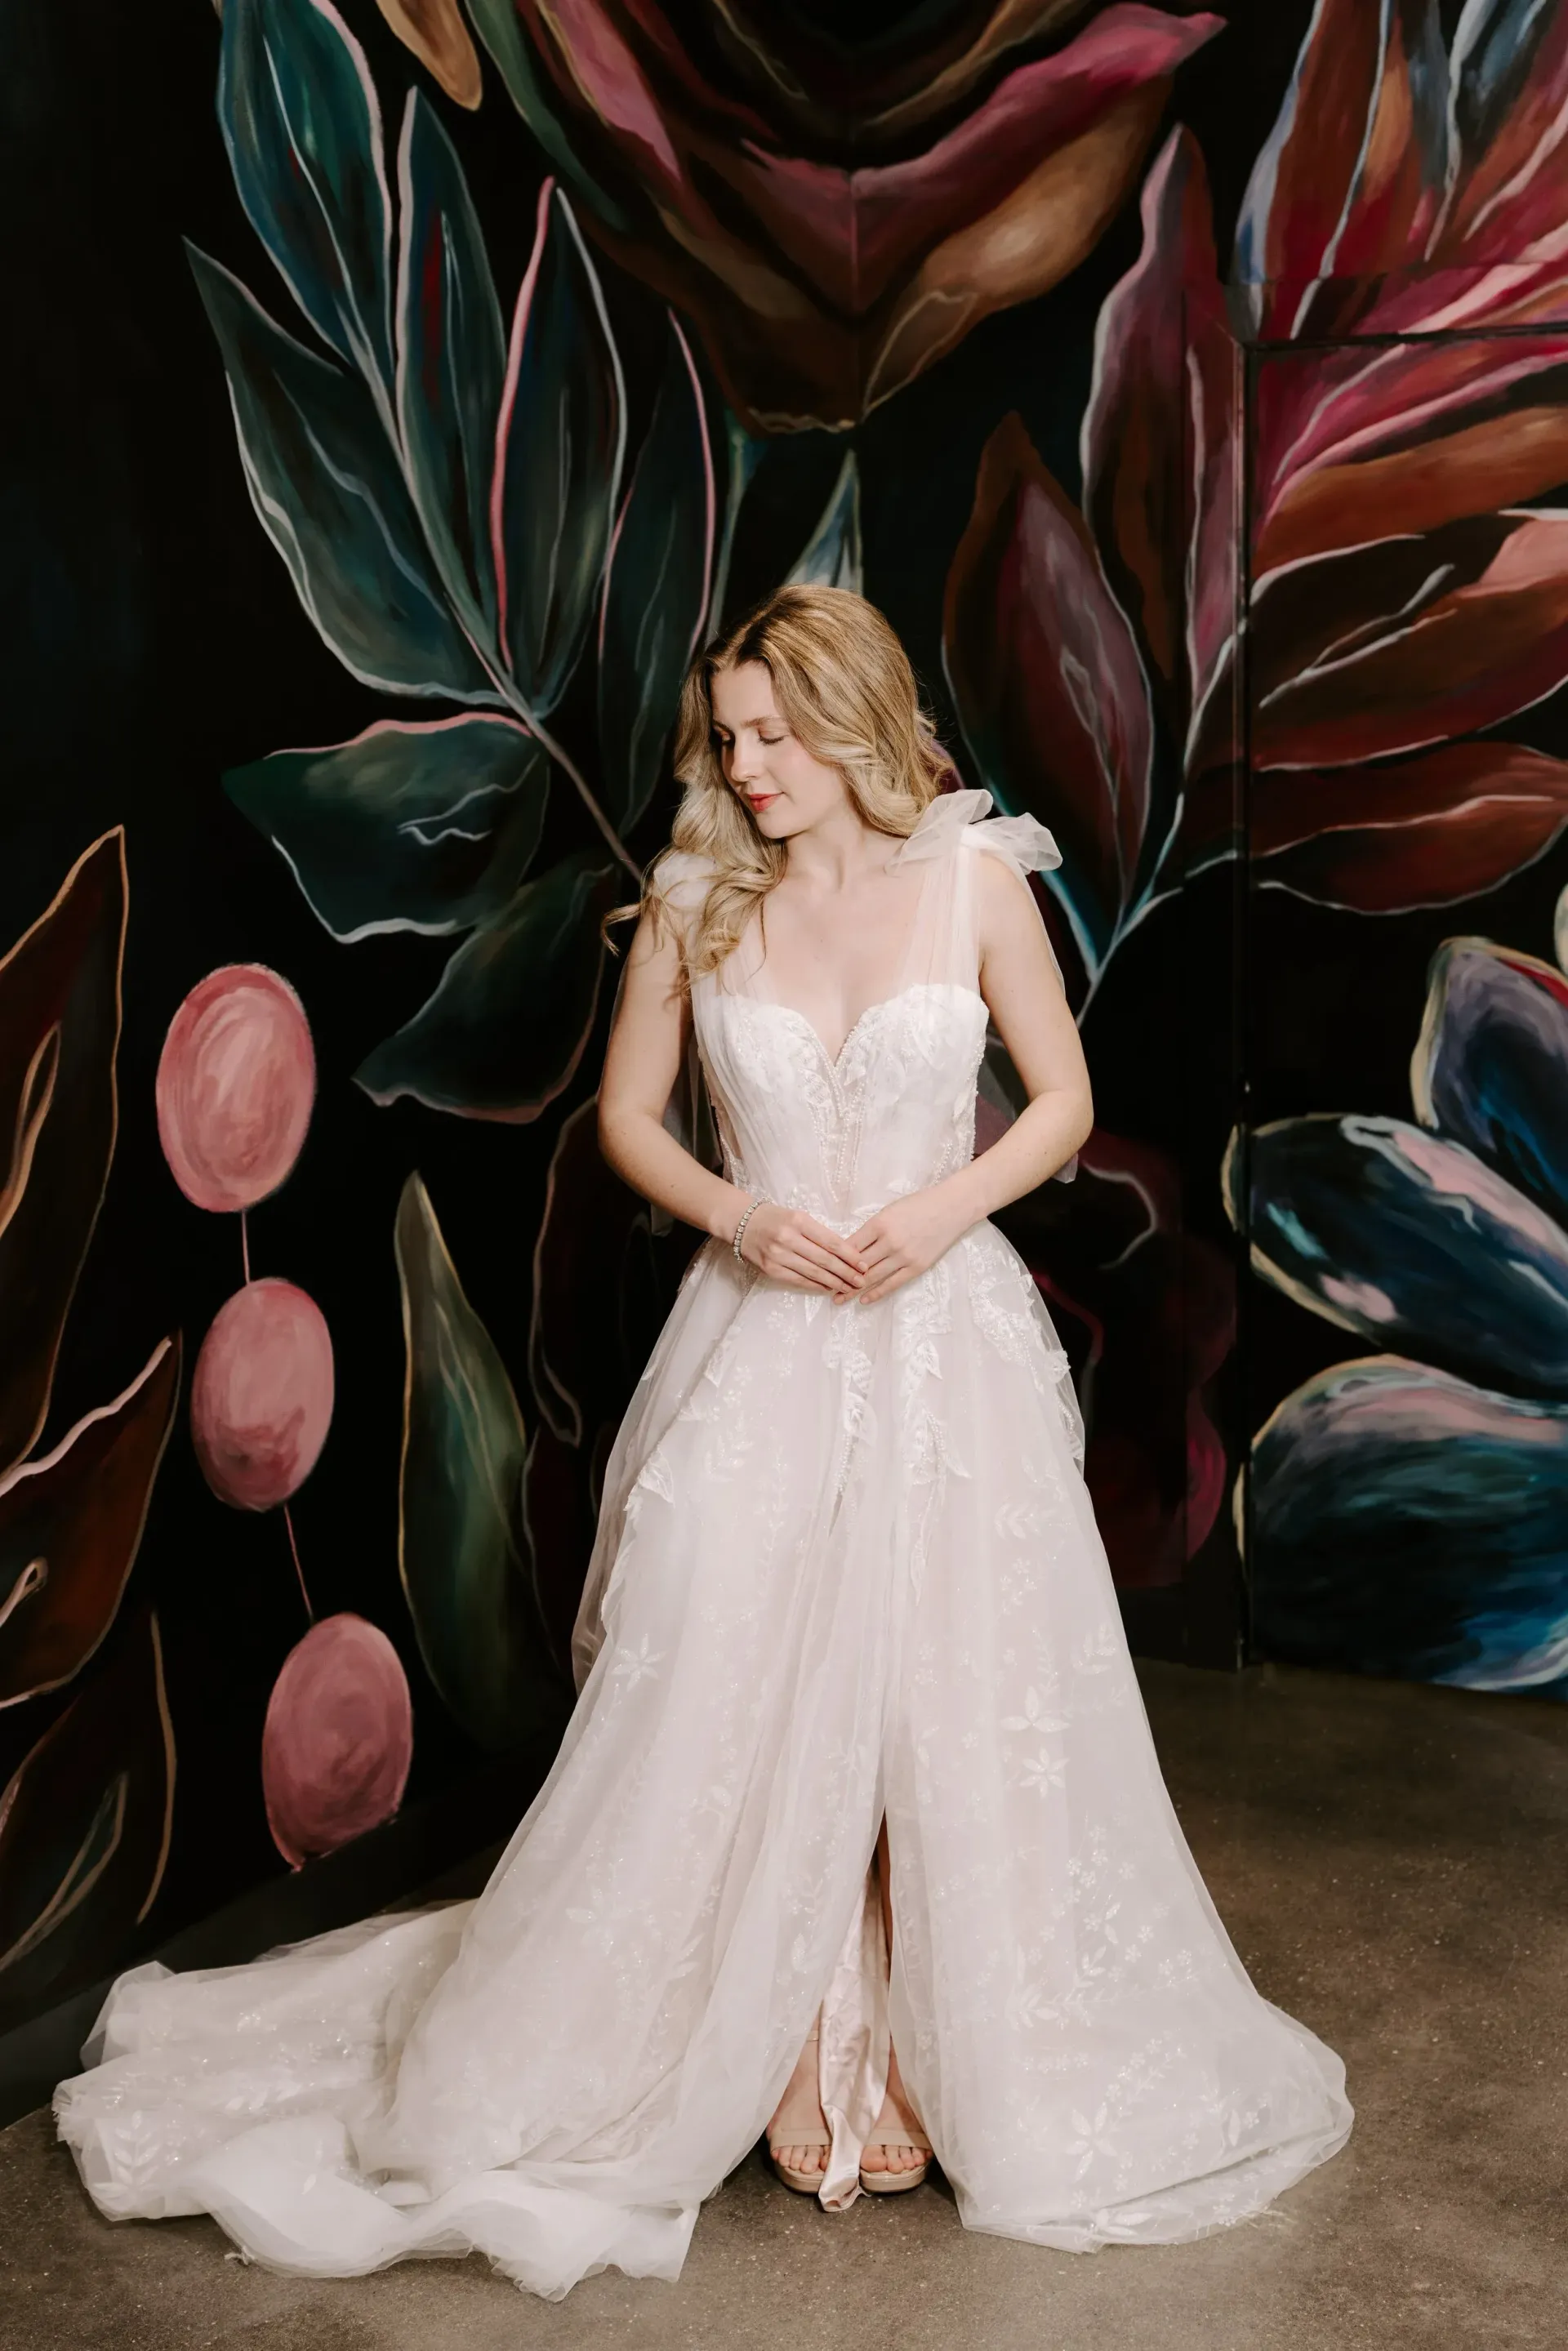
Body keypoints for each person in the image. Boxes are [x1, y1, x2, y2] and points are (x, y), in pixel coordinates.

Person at [55, 586, 1351, 2299]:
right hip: (767, 1336)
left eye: (773, 733)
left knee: (940, 1679)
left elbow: (1062, 1099)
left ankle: (895, 2017)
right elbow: (619, 1118)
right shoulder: (693, 895)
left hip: (941, 1333)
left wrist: (940, 1205)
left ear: (856, 718)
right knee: (737, 1675)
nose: (743, 767)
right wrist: (746, 1217)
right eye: (727, 735)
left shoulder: (972, 876)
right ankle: (805, 2022)